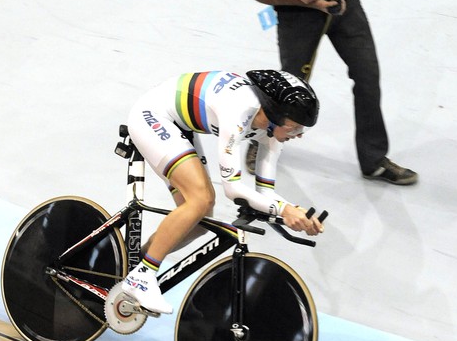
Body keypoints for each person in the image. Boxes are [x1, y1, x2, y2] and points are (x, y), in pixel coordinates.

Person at [122, 69, 324, 314]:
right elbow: (233, 188)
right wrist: (284, 210)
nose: (299, 135)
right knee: (201, 199)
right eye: (294, 128)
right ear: (274, 114)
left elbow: (266, 193)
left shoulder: (272, 132)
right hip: (153, 116)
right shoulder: (239, 109)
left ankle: (132, 265)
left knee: (201, 219)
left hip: (181, 125)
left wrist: (295, 214)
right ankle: (142, 277)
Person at [247, 0, 418, 185]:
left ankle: (373, 161)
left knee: (367, 75)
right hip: (297, 12)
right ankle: (262, 141)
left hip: (340, 3)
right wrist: (306, 0)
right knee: (292, 85)